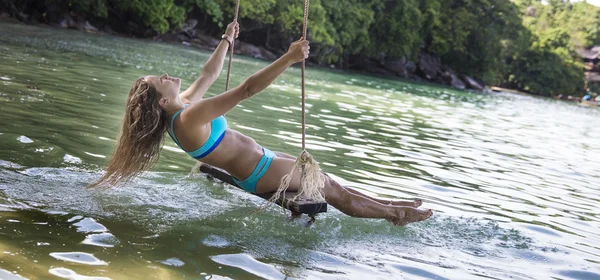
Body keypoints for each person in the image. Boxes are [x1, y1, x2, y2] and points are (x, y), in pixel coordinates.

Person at [91, 21, 433, 226]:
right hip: (259, 173)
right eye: (160, 80)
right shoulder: (189, 117)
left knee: (330, 181)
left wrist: (226, 39)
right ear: (163, 101)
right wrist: (288, 57)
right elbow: (246, 89)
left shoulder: (183, 109)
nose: (166, 75)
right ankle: (394, 215)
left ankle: (392, 206)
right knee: (328, 187)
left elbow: (209, 73)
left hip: (263, 162)